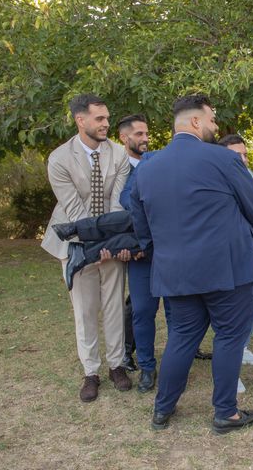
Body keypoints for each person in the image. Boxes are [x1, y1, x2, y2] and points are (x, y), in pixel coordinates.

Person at [130, 94, 253, 434]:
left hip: (175, 271)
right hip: (227, 269)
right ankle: (225, 412)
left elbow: (141, 222)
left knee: (181, 337)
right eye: (213, 119)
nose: (216, 126)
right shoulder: (222, 159)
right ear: (196, 121)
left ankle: (162, 409)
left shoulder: (147, 166)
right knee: (229, 336)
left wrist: (161, 254)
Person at [41, 93, 132, 402]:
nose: (106, 123)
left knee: (114, 306)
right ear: (81, 120)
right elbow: (75, 211)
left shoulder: (118, 155)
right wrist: (95, 246)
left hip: (112, 242)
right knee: (85, 310)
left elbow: (118, 204)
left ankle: (116, 365)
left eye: (107, 118)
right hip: (75, 245)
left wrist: (111, 244)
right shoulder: (59, 159)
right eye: (100, 119)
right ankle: (91, 372)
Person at [217, 134, 253, 374]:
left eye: (245, 155)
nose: (244, 160)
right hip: (229, 260)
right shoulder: (218, 184)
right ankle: (229, 367)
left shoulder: (250, 180)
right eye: (238, 156)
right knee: (231, 318)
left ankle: (243, 348)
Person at [116, 114, 150, 373]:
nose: (145, 138)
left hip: (158, 246)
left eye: (146, 133)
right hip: (131, 247)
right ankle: (127, 352)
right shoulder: (117, 167)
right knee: (136, 305)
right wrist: (129, 245)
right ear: (124, 137)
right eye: (139, 134)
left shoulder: (153, 164)